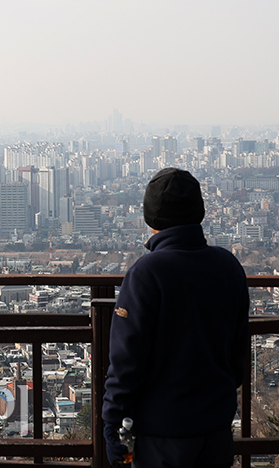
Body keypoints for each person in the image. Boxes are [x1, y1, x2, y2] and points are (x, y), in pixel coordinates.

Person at [102, 167, 249, 467]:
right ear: (200, 212)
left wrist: (113, 421)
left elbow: (126, 361)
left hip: (162, 434)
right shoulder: (228, 266)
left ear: (151, 217)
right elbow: (238, 354)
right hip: (216, 429)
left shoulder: (146, 274)